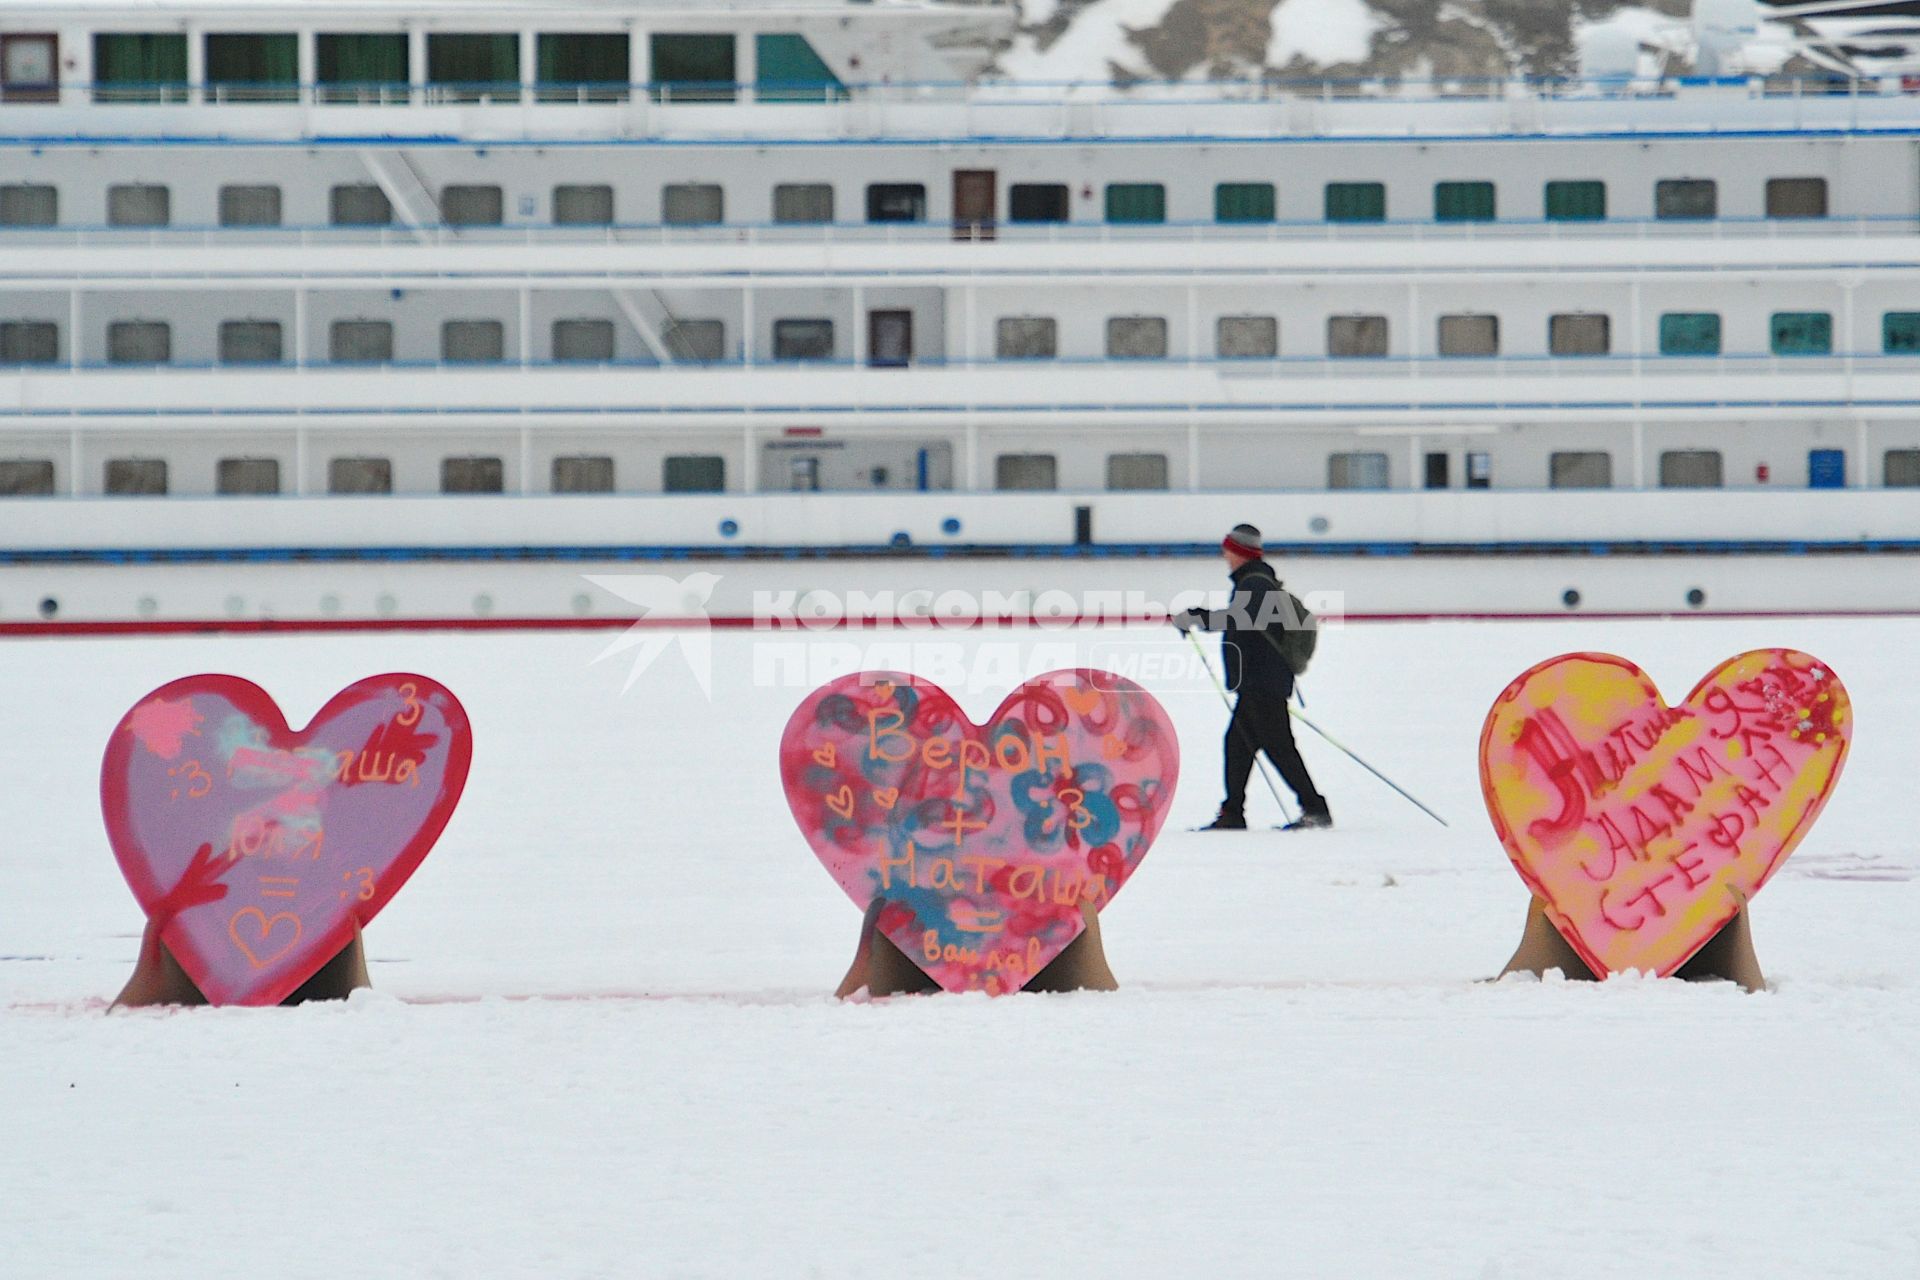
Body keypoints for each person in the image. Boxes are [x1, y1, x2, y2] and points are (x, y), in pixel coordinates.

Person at [1174, 523, 1332, 831]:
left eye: (1228, 550)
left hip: (1263, 682)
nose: (1225, 555)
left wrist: (1198, 617)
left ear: (1237, 551)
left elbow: (1242, 619)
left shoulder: (1255, 584)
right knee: (1237, 744)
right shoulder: (1254, 582)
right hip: (1258, 682)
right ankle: (1233, 813)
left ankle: (1314, 808)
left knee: (1278, 747)